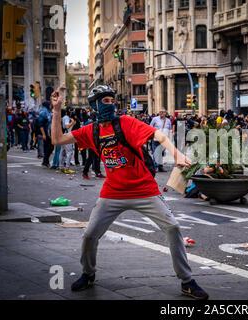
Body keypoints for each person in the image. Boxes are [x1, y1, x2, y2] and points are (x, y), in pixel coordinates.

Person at [50, 85, 208, 299]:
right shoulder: (91, 130)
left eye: (112, 100)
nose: (111, 104)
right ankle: (88, 274)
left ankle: (187, 281)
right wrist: (57, 110)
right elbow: (57, 140)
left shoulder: (126, 123)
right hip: (112, 193)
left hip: (144, 189)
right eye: (105, 101)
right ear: (95, 105)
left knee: (172, 227)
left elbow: (158, 135)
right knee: (89, 235)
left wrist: (177, 153)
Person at [59, 109, 76, 174]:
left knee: (62, 151)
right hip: (67, 136)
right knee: (69, 152)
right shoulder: (66, 117)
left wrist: (72, 124)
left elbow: (69, 128)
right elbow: (66, 126)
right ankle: (67, 168)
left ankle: (61, 167)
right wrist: (72, 122)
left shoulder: (63, 118)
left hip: (63, 135)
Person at [38, 101, 53, 167]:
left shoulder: (48, 111)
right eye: (50, 104)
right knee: (47, 147)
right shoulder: (43, 112)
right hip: (46, 132)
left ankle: (46, 161)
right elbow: (41, 124)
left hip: (49, 132)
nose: (51, 105)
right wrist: (43, 134)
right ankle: (45, 161)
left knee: (50, 147)